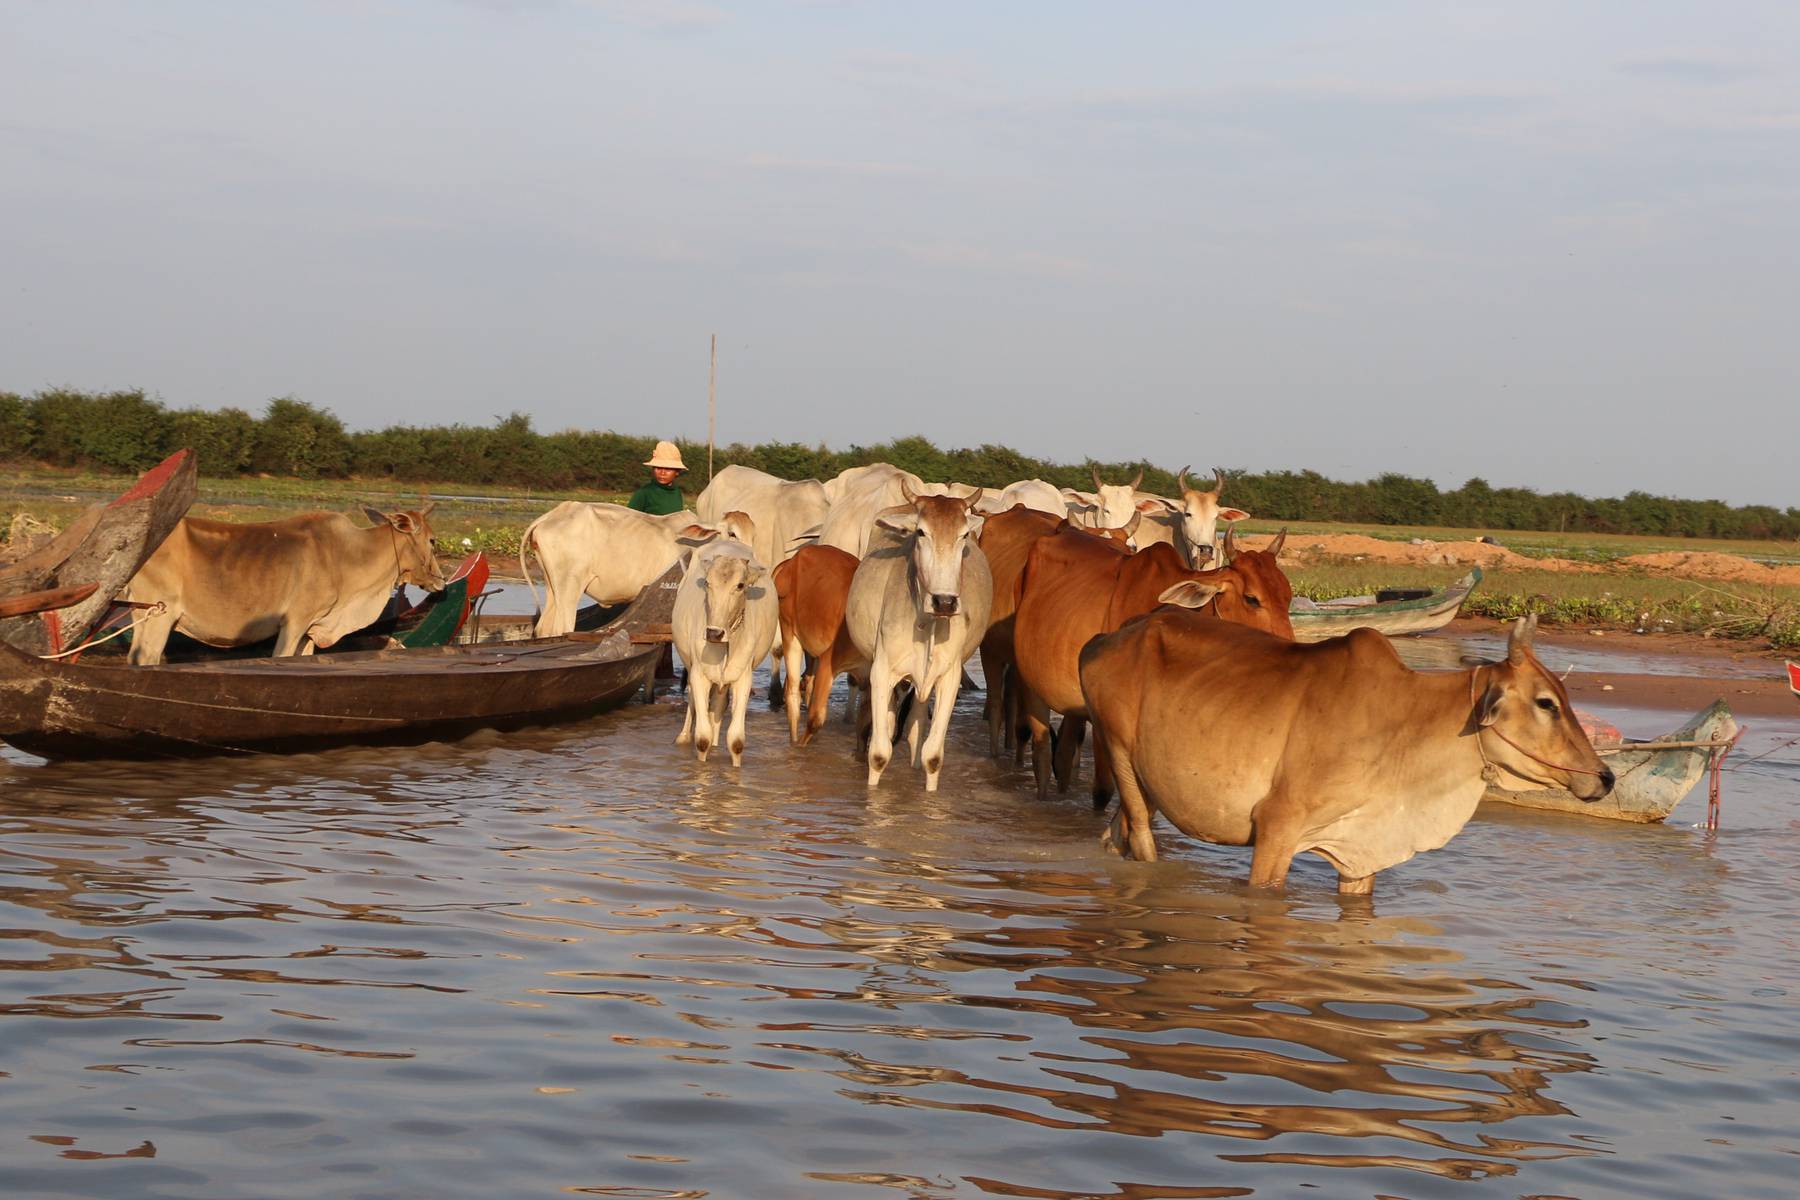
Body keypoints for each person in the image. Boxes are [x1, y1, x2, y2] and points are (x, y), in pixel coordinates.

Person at [628, 441, 688, 515]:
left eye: (668, 469)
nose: (662, 473)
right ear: (653, 469)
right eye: (658, 468)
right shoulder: (643, 493)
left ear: (677, 472)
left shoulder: (677, 492)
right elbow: (628, 520)